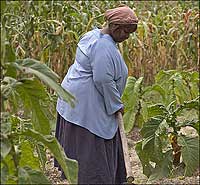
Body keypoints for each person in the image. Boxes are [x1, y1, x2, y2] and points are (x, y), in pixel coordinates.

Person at [54, 5, 138, 184]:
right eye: (126, 32)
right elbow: (102, 79)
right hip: (87, 109)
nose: (127, 37)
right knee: (91, 154)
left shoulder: (92, 35)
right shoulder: (102, 46)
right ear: (115, 27)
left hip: (74, 101)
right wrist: (116, 104)